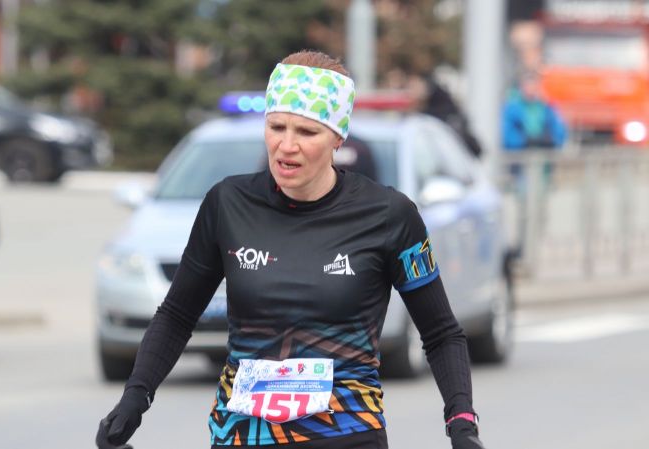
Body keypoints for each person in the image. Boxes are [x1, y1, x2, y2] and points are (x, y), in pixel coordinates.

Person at [96, 50, 485, 449]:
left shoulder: (389, 215)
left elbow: (441, 333)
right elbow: (177, 314)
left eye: (307, 132)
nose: (286, 145)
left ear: (338, 137)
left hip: (346, 435)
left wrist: (461, 423)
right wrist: (134, 399)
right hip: (243, 435)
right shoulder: (227, 204)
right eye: (276, 126)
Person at [502, 72, 567, 150]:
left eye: (533, 86)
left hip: (544, 151)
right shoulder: (512, 108)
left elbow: (559, 132)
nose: (530, 89)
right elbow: (508, 135)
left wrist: (551, 140)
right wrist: (524, 141)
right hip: (521, 152)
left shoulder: (547, 107)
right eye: (527, 86)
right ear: (521, 88)